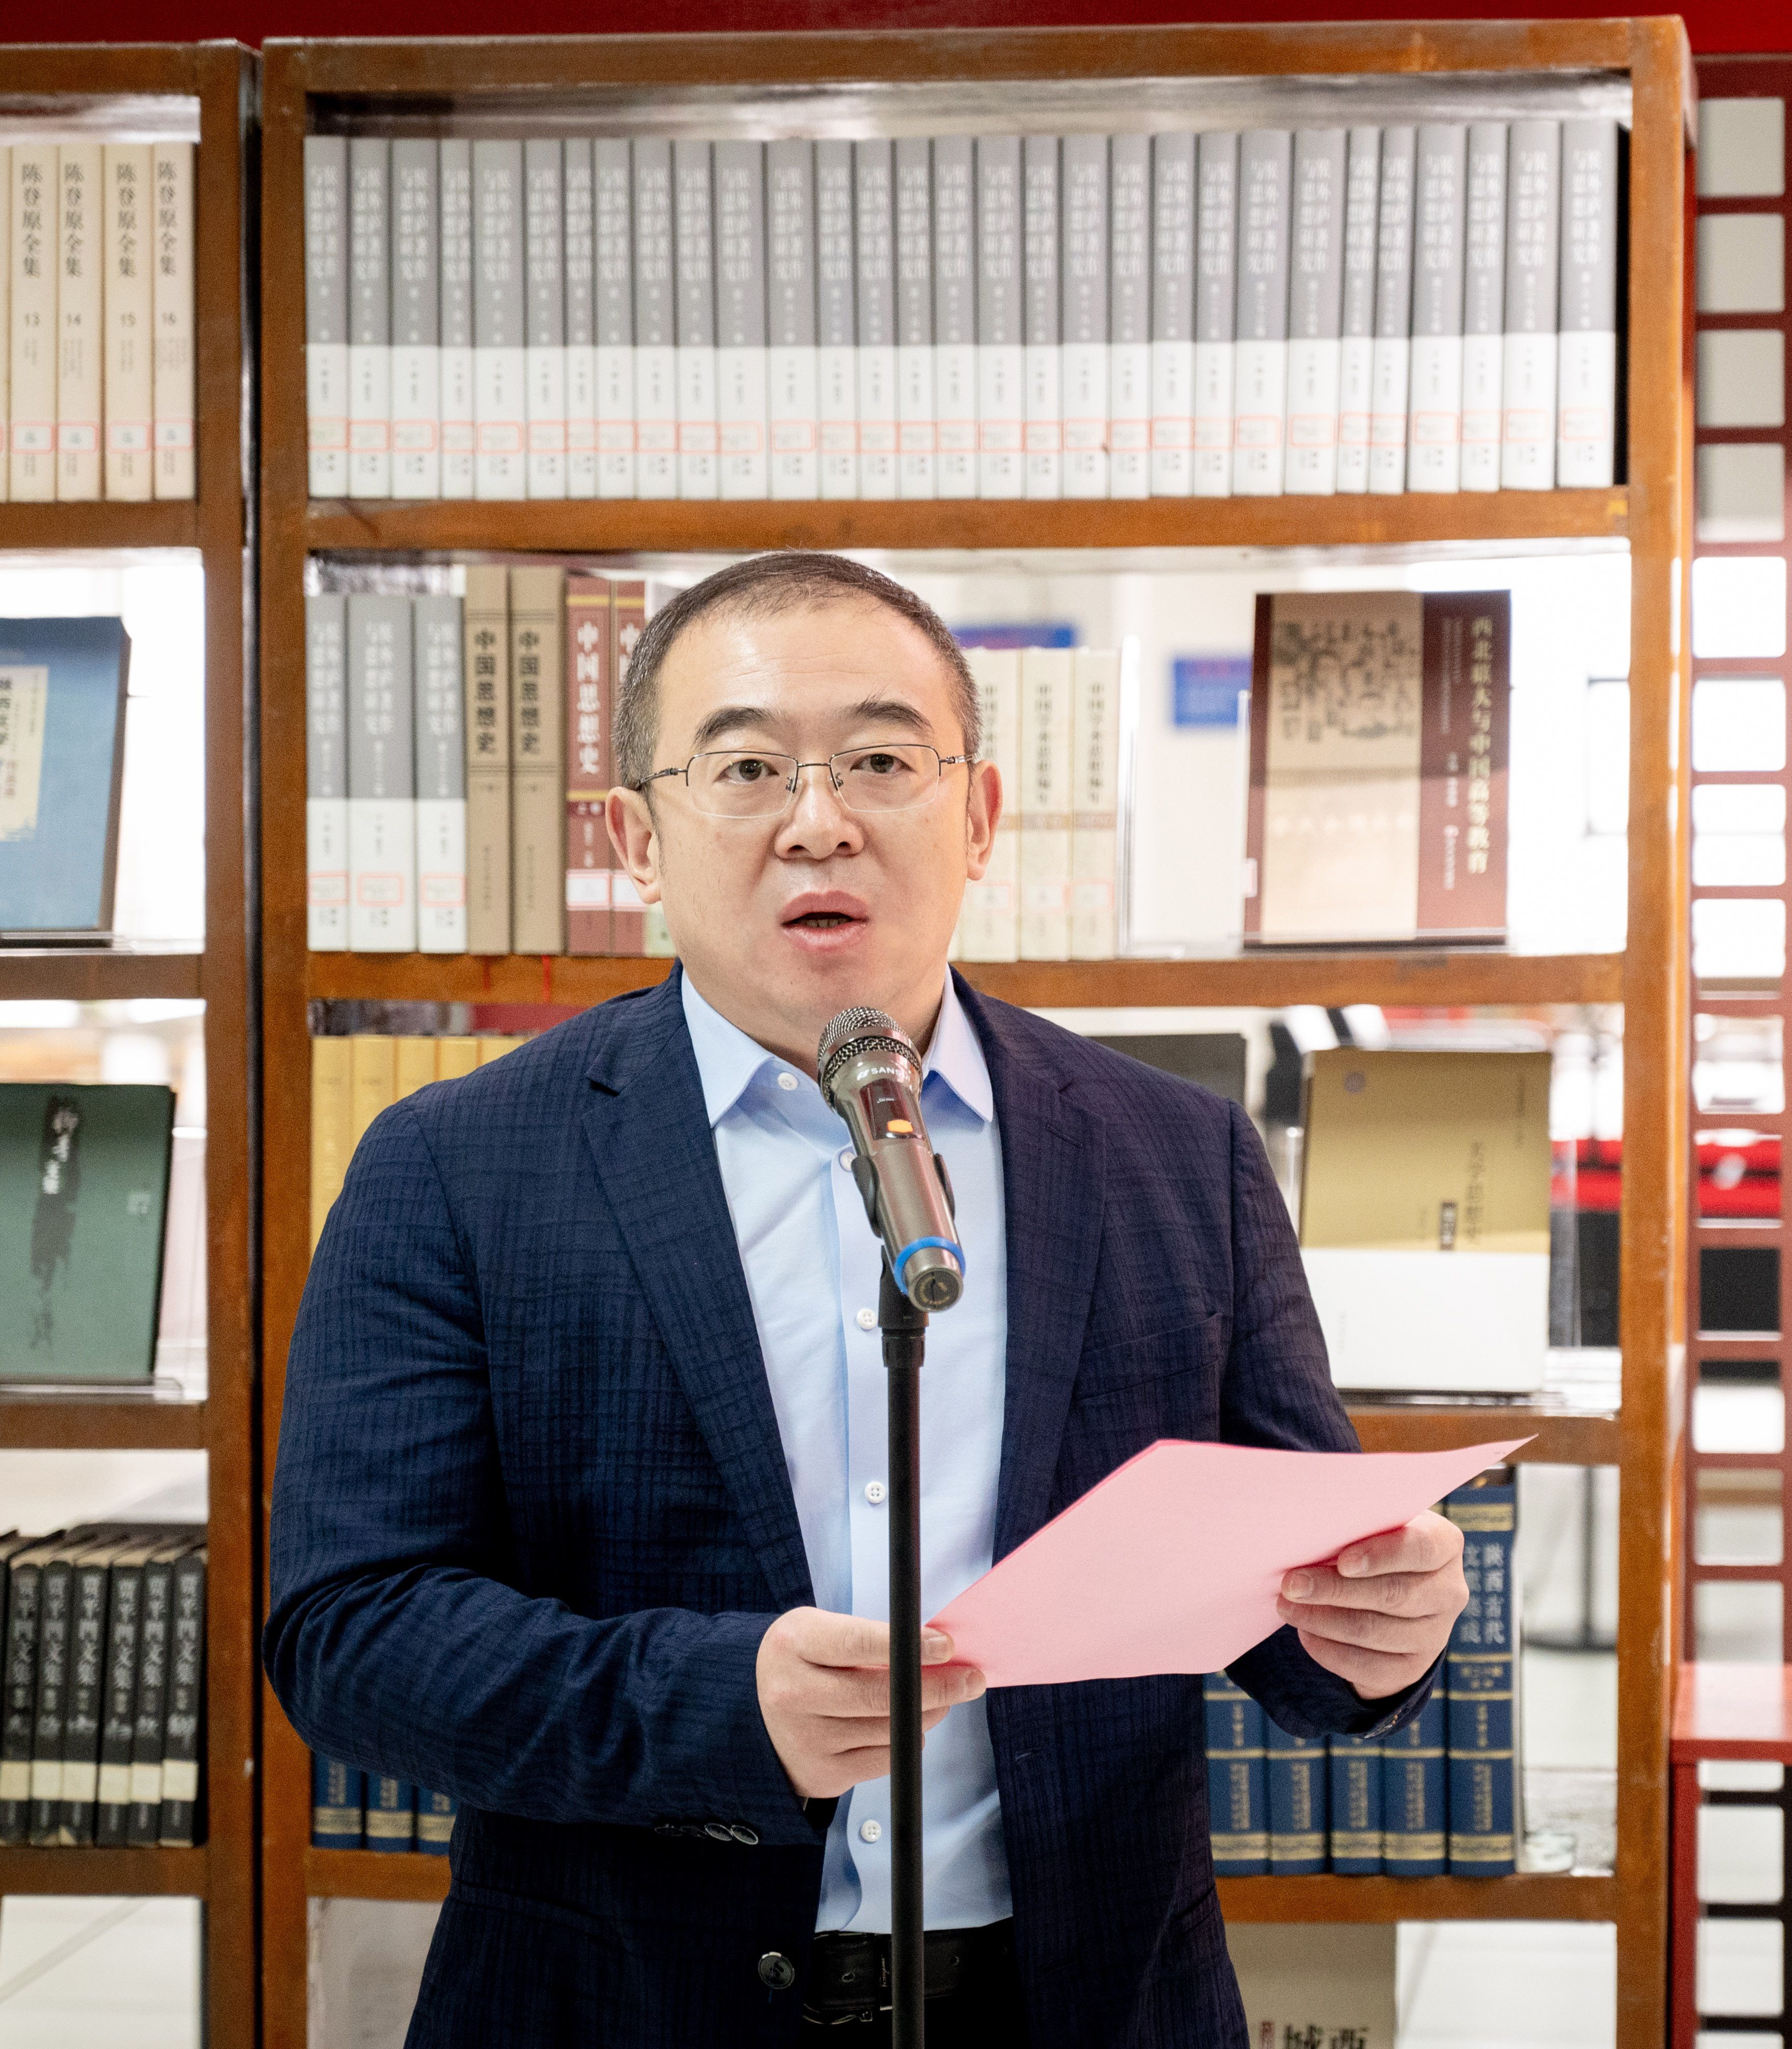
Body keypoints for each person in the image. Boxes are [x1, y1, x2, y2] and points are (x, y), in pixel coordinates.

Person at [264, 552, 1470, 2047]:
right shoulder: (456, 1165)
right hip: (625, 2003)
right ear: (639, 839)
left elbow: (1287, 1587)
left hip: (1088, 2001)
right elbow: (351, 1630)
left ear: (980, 817)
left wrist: (1377, 1629)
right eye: (747, 768)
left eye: (883, 762)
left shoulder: (1177, 1153)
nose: (818, 821)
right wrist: (720, 1707)